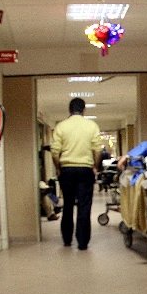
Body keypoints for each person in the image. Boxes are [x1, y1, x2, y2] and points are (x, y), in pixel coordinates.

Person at [50, 97, 103, 250]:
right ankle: (82, 242)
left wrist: (58, 167)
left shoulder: (61, 126)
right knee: (84, 206)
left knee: (68, 205)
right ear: (84, 110)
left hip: (67, 170)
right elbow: (97, 150)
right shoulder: (91, 126)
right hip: (85, 170)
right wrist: (95, 167)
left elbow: (55, 152)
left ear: (69, 110)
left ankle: (67, 239)